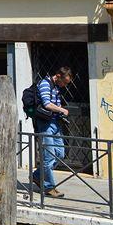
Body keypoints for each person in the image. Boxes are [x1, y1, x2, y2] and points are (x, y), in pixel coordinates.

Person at [32, 66, 72, 197]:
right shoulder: (45, 83)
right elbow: (46, 104)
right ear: (58, 76)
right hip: (45, 124)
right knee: (48, 157)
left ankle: (37, 175)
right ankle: (49, 187)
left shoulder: (56, 87)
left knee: (60, 153)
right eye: (64, 82)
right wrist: (61, 110)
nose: (65, 85)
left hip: (55, 123)